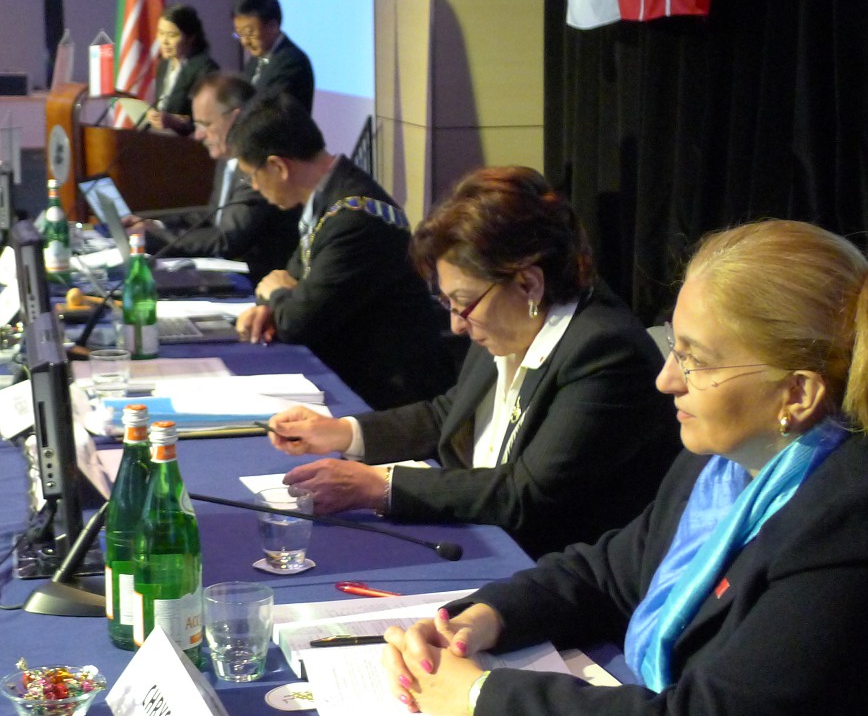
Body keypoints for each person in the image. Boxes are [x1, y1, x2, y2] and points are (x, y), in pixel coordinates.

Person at [381, 219, 868, 716]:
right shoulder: (723, 463)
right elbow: (607, 572)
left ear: (797, 394)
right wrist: (483, 618)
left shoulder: (862, 522)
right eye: (675, 345)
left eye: (695, 359)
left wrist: (480, 696)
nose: (667, 379)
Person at [264, 166, 679, 558]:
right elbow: (451, 412)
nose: (456, 325)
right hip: (485, 534)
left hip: (544, 563)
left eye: (461, 303)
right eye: (447, 303)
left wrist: (380, 485)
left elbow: (525, 492)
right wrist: (343, 433)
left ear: (528, 282)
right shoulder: (508, 312)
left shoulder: (604, 352)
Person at [229, 91, 454, 410]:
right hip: (358, 379)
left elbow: (297, 322)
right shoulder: (330, 198)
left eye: (252, 175)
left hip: (390, 399)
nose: (253, 187)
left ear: (278, 166)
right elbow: (289, 280)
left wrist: (277, 298)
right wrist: (270, 305)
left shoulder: (354, 217)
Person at [125, 73, 301, 285]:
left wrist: (154, 239)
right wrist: (155, 225)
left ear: (235, 119)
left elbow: (227, 239)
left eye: (205, 124)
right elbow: (211, 215)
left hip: (256, 282)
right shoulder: (226, 157)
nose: (198, 135)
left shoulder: (259, 165)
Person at [232, 0, 314, 112]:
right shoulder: (256, 59)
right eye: (239, 33)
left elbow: (269, 109)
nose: (244, 41)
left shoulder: (292, 62)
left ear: (273, 26)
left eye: (249, 32)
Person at [146, 4, 218, 135]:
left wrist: (177, 122)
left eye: (172, 35)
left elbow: (209, 120)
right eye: (161, 33)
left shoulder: (205, 69)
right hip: (159, 138)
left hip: (187, 141)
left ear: (190, 37)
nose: (164, 41)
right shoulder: (164, 65)